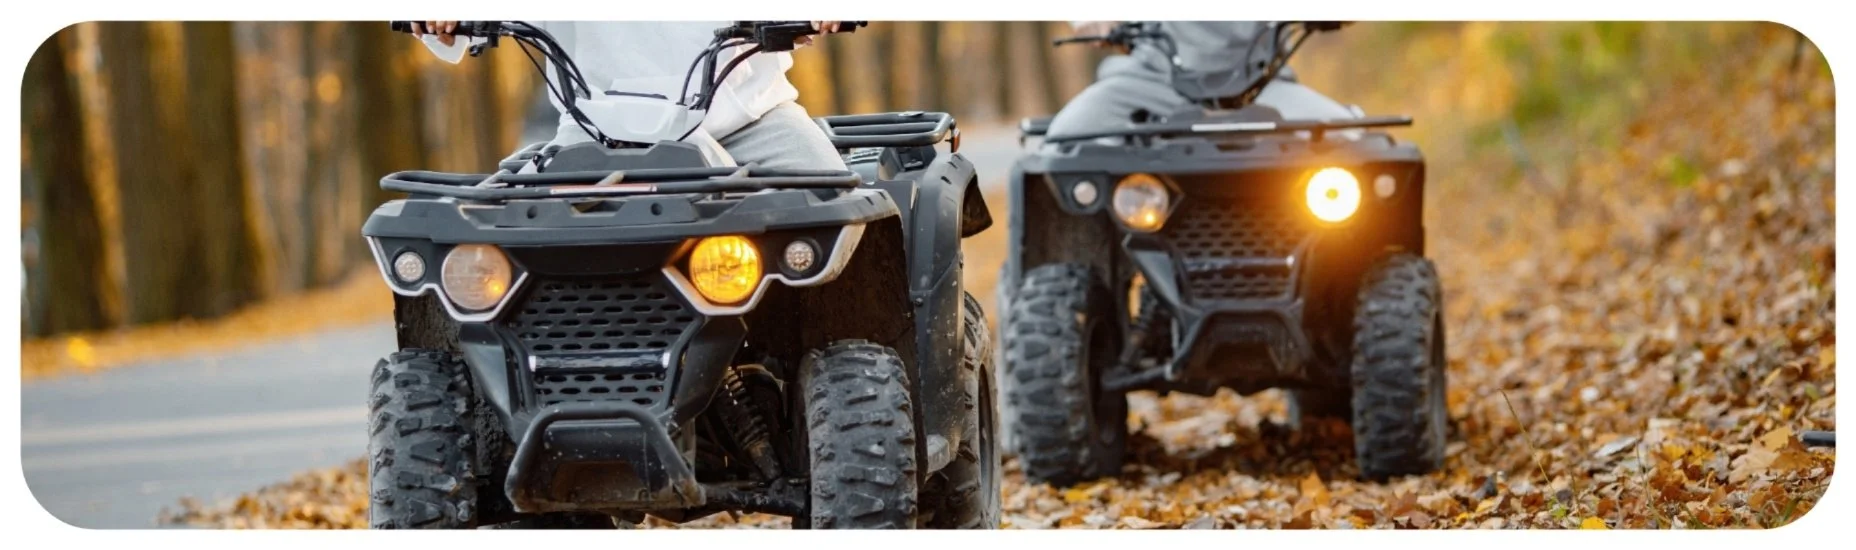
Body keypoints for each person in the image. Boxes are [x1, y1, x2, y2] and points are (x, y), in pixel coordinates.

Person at [410, 21, 851, 171]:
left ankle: (845, 361)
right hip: (593, 131)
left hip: (748, 120)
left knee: (837, 202)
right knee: (511, 239)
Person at [1046, 21, 1362, 141]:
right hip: (1153, 80)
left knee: (1354, 145)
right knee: (1065, 140)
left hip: (1263, 85)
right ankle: (1062, 274)